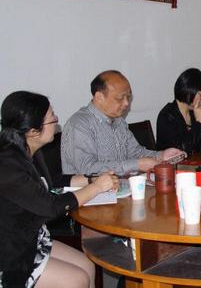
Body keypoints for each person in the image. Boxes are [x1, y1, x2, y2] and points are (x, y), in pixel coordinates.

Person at [0, 91, 118, 288]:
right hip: (10, 254)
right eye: (51, 118)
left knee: (87, 265)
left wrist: (91, 180)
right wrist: (96, 188)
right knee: (76, 279)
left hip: (31, 239)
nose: (56, 120)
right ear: (33, 131)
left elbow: (52, 182)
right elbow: (50, 207)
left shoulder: (28, 150)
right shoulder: (8, 166)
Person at [62, 70, 183, 175]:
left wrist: (161, 156)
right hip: (87, 193)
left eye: (128, 97)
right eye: (120, 98)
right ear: (99, 97)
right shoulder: (79, 125)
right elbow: (87, 169)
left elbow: (136, 153)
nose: (126, 103)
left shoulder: (118, 121)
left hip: (118, 188)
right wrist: (136, 165)